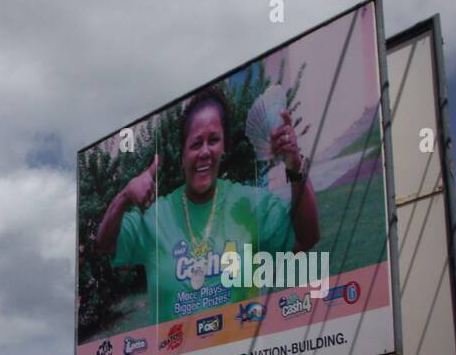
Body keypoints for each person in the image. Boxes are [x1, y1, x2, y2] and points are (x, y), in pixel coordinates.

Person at [93, 86, 319, 325]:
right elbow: (104, 244)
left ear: (223, 148)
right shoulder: (156, 216)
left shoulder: (250, 203)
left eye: (213, 140)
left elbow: (306, 238)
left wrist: (295, 166)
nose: (205, 152)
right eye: (195, 143)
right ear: (182, 155)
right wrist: (125, 197)